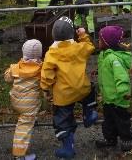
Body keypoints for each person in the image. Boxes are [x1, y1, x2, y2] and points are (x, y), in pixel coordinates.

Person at [41, 16, 98, 158]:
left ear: (53, 35)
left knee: (62, 120)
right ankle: (89, 113)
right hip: (81, 88)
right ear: (72, 34)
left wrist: (46, 88)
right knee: (90, 91)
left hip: (63, 95)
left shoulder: (51, 54)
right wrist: (83, 35)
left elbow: (47, 74)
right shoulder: (79, 47)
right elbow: (90, 47)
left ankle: (68, 147)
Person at [95, 25, 132, 152]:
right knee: (108, 122)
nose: (98, 42)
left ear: (107, 43)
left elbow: (121, 76)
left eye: (100, 40)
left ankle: (126, 139)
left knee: (122, 121)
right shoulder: (104, 55)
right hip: (108, 98)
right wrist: (98, 72)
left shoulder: (113, 58)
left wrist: (124, 92)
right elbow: (106, 70)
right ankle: (110, 139)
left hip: (118, 98)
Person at [4, 39, 43, 160]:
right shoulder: (41, 69)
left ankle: (30, 119)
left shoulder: (16, 67)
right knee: (24, 126)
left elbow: (7, 79)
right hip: (29, 105)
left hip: (15, 99)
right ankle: (19, 154)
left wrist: (9, 72)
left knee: (25, 116)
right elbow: (45, 82)